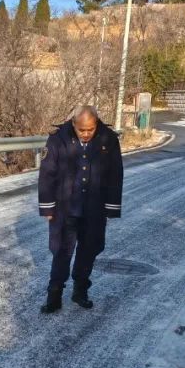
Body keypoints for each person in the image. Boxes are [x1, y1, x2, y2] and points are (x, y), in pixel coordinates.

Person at [37, 105, 123, 313]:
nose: (86, 134)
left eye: (90, 129)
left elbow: (115, 174)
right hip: (64, 208)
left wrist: (111, 208)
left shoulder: (108, 139)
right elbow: (47, 173)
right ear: (73, 124)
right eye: (81, 129)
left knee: (89, 250)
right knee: (61, 251)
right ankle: (54, 294)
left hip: (95, 208)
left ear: (96, 124)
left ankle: (80, 291)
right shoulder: (58, 139)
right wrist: (48, 207)